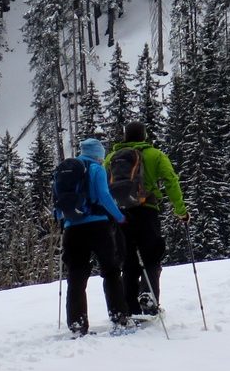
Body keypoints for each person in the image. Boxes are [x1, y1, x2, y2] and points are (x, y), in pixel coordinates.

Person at [106, 121, 186, 316]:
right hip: (147, 210)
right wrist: (180, 210)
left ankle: (129, 306)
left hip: (121, 215)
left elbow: (103, 187)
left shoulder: (110, 158)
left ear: (125, 136)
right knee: (151, 256)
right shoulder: (154, 155)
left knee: (129, 260)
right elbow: (170, 180)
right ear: (144, 136)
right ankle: (148, 296)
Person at [59, 138, 131, 336]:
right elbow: (104, 196)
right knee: (111, 271)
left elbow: (58, 201)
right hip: (98, 226)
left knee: (76, 276)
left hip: (72, 229)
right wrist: (120, 217)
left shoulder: (66, 169)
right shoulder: (96, 169)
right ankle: (119, 317)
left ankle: (77, 324)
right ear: (98, 153)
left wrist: (63, 221)